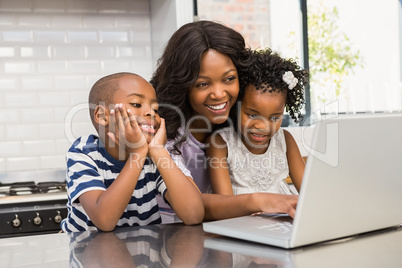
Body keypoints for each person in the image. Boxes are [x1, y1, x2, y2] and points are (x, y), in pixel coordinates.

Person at [150, 20, 299, 219]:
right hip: (170, 233)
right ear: (183, 84)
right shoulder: (163, 134)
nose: (219, 94)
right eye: (203, 84)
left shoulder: (240, 125)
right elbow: (192, 204)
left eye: (229, 79)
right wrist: (259, 200)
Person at [61, 72, 204, 233]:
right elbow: (104, 220)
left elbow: (194, 215)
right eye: (136, 104)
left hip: (142, 254)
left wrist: (158, 151)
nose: (151, 113)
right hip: (90, 252)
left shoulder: (153, 156)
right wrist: (137, 154)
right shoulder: (84, 152)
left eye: (155, 109)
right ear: (102, 116)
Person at [206, 48, 308, 196]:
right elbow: (225, 202)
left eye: (274, 118)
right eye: (252, 116)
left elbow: (309, 194)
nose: (263, 127)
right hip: (240, 218)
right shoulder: (220, 143)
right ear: (236, 106)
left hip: (283, 216)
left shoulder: (285, 140)